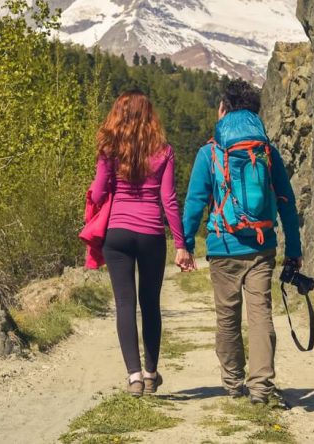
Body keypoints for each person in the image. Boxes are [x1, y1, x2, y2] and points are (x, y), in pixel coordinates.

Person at [181, 79, 302, 407]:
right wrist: (294, 250)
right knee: (260, 314)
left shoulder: (209, 152)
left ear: (223, 109)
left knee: (227, 316)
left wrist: (185, 244)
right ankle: (261, 388)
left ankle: (234, 385)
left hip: (223, 247)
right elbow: (286, 202)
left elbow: (194, 201)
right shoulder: (266, 152)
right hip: (261, 247)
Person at [90, 91, 194, 397]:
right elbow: (169, 200)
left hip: (117, 233)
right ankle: (151, 374)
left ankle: (133, 376)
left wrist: (103, 191)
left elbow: (97, 194)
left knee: (124, 304)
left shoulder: (109, 149)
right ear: (150, 116)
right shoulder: (164, 150)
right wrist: (181, 244)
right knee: (150, 304)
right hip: (151, 233)